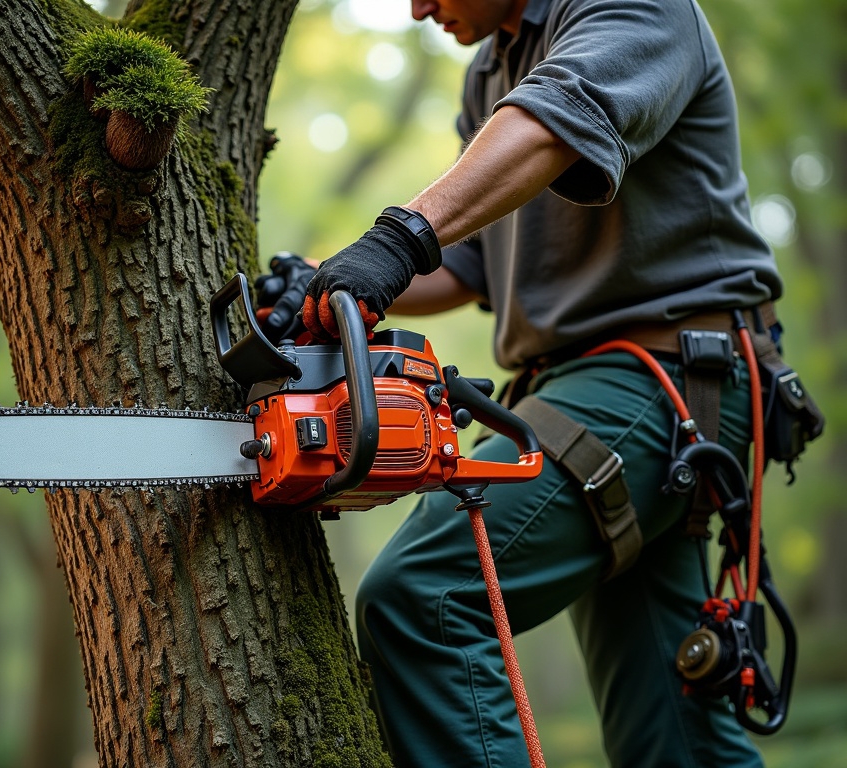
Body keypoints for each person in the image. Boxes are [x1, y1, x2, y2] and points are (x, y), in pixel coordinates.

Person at [257, 0, 783, 765]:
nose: (418, 9)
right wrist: (326, 276)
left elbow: (554, 121)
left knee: (426, 597)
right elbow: (470, 262)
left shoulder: (633, 7)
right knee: (673, 736)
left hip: (662, 376)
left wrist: (396, 239)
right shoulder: (490, 71)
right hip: (597, 391)